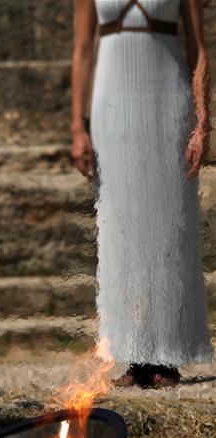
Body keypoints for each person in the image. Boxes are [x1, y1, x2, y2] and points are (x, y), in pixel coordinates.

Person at [71, 0, 212, 387]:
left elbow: (198, 50)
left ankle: (166, 356)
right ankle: (133, 355)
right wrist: (77, 127)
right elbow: (82, 51)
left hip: (167, 101)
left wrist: (203, 123)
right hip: (111, 105)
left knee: (167, 225)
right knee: (122, 227)